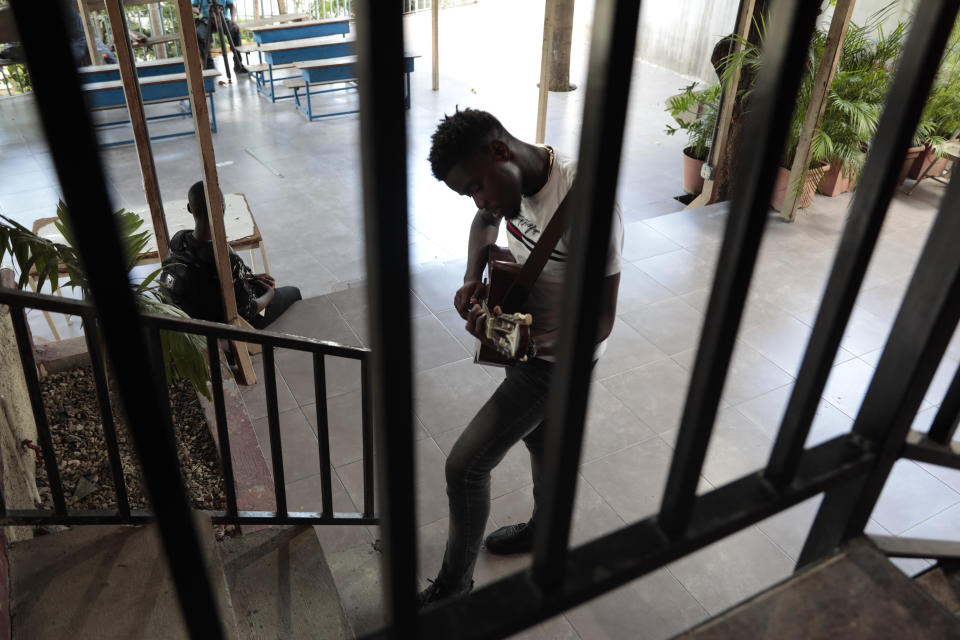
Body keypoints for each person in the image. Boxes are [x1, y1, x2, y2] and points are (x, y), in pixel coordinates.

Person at [417, 109, 623, 607]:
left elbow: (602, 319)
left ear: (500, 151)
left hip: (558, 361)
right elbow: (486, 220)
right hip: (521, 340)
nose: (480, 200)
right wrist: (473, 277)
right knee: (543, 444)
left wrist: (538, 352)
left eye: (476, 187)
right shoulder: (506, 186)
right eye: (468, 193)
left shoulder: (584, 204)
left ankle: (453, 589)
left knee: (465, 467)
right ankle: (543, 531)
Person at [159, 181, 301, 329]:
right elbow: (248, 310)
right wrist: (270, 294)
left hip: (200, 310)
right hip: (230, 323)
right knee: (293, 292)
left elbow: (210, 280)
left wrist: (246, 277)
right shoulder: (224, 257)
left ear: (189, 208)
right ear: (221, 207)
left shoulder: (179, 240)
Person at [191, 0, 245, 73]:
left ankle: (238, 64)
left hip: (223, 19)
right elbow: (192, 6)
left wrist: (233, 19)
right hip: (205, 20)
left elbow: (232, 6)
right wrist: (198, 10)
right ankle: (209, 66)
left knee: (235, 30)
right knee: (199, 34)